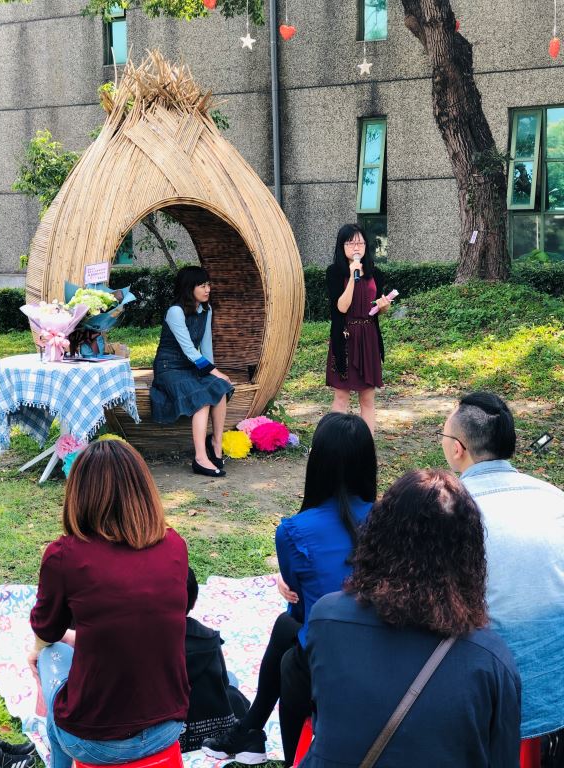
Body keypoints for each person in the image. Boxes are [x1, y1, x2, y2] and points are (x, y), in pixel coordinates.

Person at [302, 469, 521, 768]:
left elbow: (324, 715)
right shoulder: (489, 658)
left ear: (379, 534)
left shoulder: (326, 618)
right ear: (468, 552)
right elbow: (502, 758)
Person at [202, 412, 377, 765]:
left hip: (333, 657)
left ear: (318, 463)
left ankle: (285, 752)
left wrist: (290, 585)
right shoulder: (389, 518)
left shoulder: (294, 531)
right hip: (382, 643)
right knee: (286, 628)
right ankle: (250, 729)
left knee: (291, 660)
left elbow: (303, 610)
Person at [28, 440, 191, 768]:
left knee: (48, 655)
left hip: (94, 741)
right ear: (143, 489)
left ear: (78, 494)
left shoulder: (64, 556)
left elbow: (47, 629)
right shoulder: (175, 545)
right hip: (169, 724)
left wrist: (37, 650)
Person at [440, 391, 564, 754]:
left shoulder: (446, 510)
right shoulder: (554, 498)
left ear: (458, 448)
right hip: (556, 696)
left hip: (483, 707)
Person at [150, 266, 233, 477]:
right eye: (202, 285)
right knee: (201, 398)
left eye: (208, 285)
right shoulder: (175, 311)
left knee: (220, 388)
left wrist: (214, 374)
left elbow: (206, 347)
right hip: (169, 368)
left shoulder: (206, 310)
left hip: (190, 366)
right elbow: (189, 349)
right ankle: (200, 458)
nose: (208, 289)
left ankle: (216, 444)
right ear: (189, 287)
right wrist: (215, 371)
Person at [325, 223, 391, 435]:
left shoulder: (375, 273)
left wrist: (383, 307)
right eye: (351, 243)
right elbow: (341, 307)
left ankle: (367, 445)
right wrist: (353, 276)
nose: (356, 247)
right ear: (342, 246)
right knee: (341, 396)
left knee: (368, 397)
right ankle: (335, 443)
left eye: (360, 243)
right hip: (345, 337)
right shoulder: (334, 273)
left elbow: (374, 308)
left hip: (368, 338)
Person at [181, 567, 250, 752]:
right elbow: (223, 682)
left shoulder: (147, 638)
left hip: (168, 726)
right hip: (207, 722)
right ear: (194, 601)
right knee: (232, 679)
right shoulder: (209, 637)